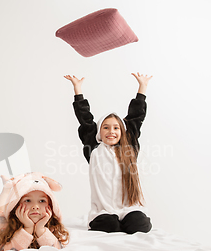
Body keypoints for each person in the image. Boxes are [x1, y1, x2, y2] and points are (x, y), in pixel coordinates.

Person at [64, 73, 153, 234]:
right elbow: (85, 119)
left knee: (139, 226)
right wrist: (77, 90)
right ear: (99, 131)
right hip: (104, 210)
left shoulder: (129, 149)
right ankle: (109, 221)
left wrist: (142, 88)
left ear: (122, 131)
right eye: (106, 127)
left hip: (128, 208)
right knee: (110, 227)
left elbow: (136, 118)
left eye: (116, 128)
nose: (111, 131)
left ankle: (130, 220)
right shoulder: (94, 149)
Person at [0, 172, 69, 251]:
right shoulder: (6, 224)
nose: (35, 206)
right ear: (16, 204)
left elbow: (57, 250)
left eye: (42, 201)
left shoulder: (52, 225)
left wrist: (41, 229)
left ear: (50, 205)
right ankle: (6, 189)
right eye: (28, 200)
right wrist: (28, 228)